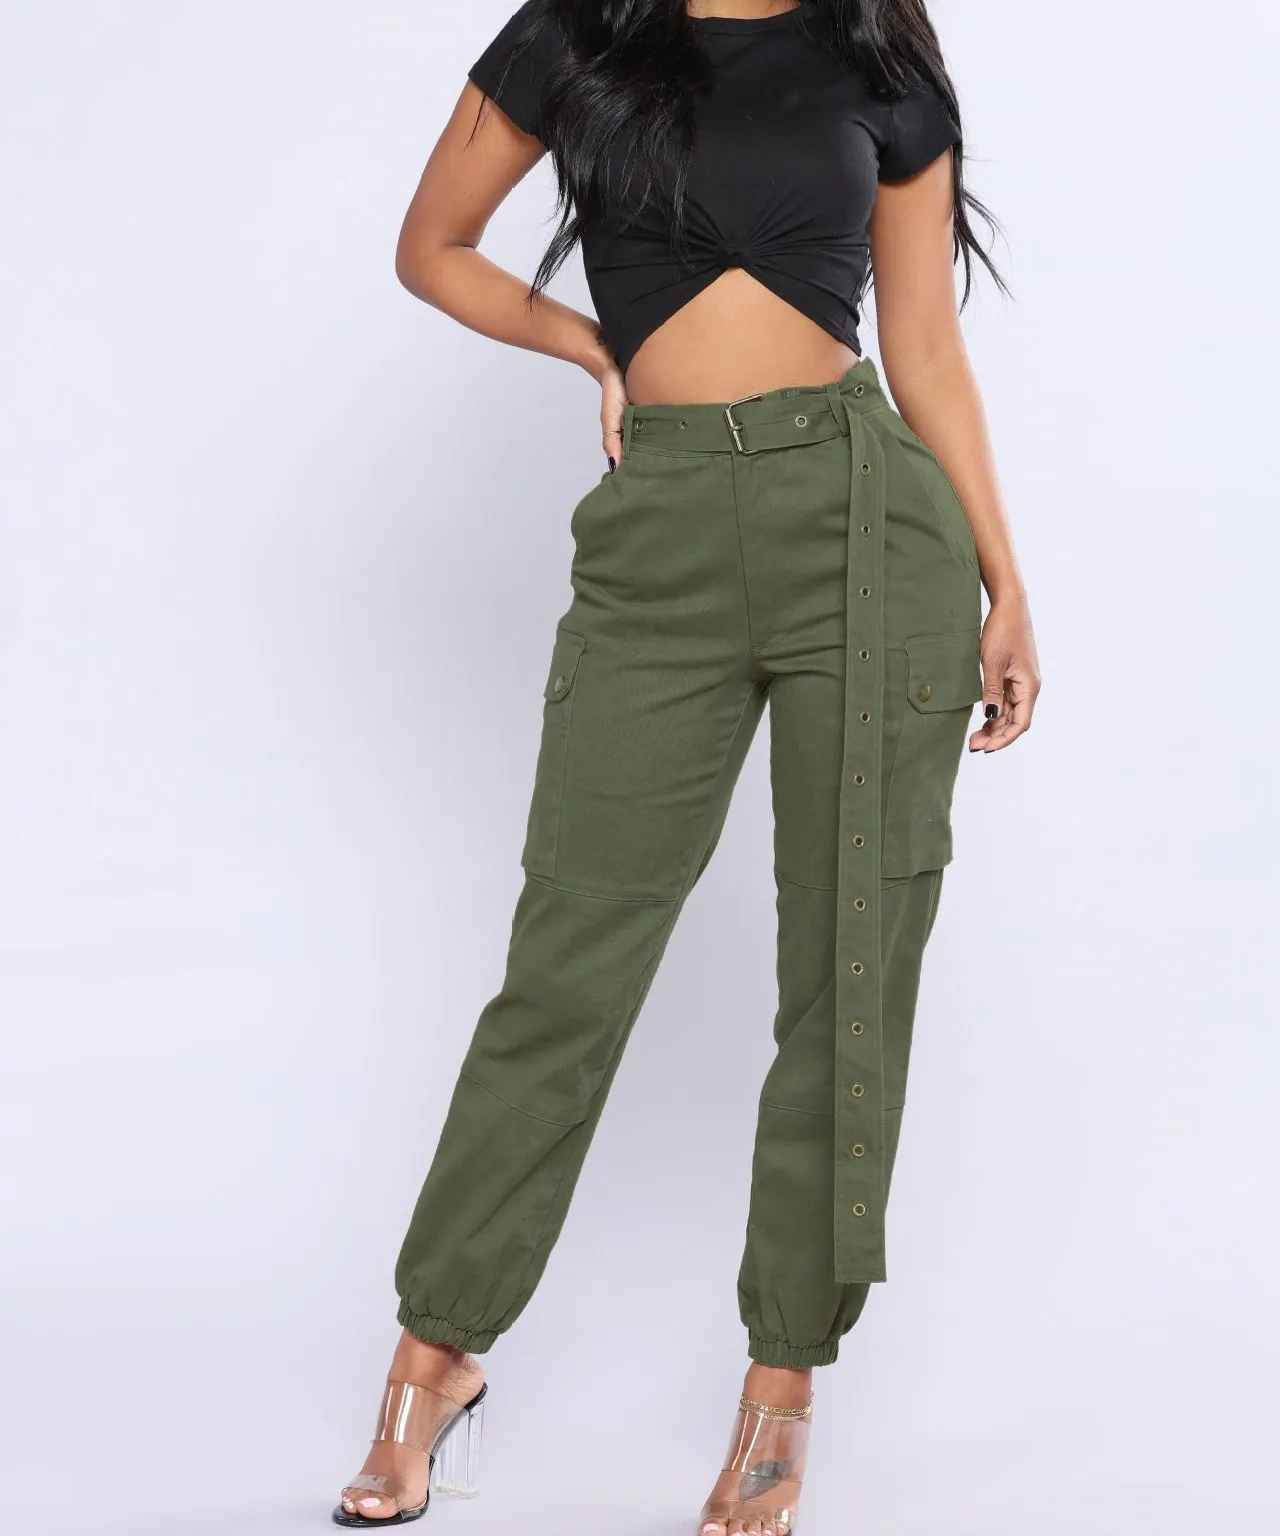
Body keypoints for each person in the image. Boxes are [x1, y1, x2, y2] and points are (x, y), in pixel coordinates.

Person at [335, 1, 1041, 1530]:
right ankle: (434, 1356)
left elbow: (924, 344)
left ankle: (781, 1391)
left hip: (869, 528)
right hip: (655, 533)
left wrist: (1007, 584)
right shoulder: (577, 31)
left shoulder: (877, 53)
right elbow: (433, 246)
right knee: (566, 970)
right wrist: (585, 341)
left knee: (847, 971)